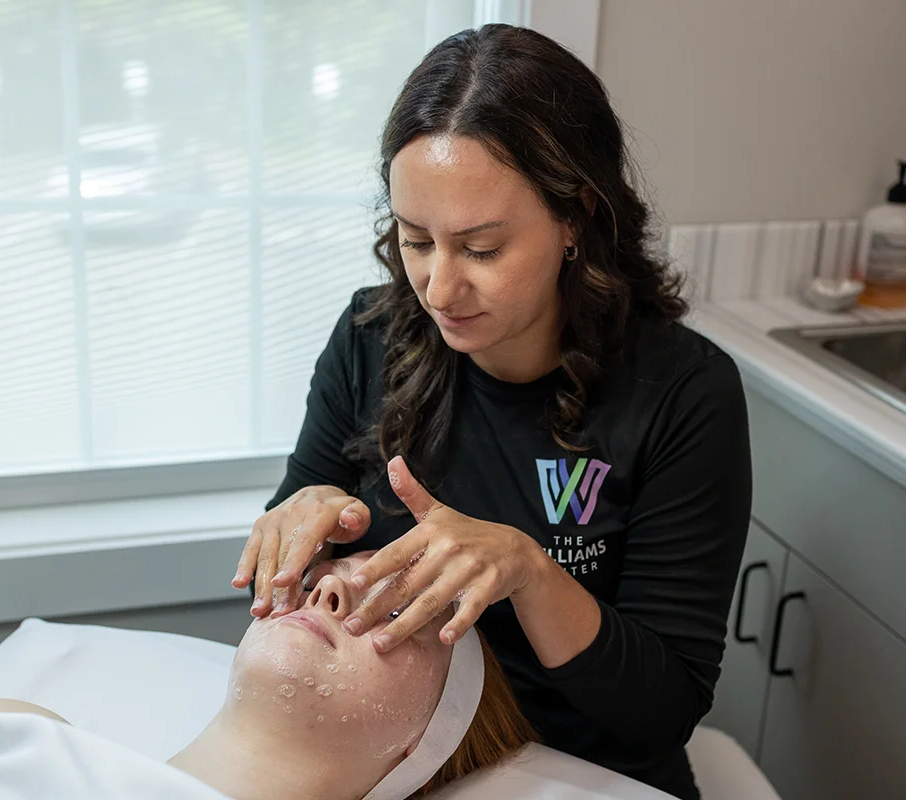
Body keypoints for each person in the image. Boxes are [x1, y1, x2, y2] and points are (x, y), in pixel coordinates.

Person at [232, 23, 752, 800]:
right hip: (399, 760)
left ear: (576, 216)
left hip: (585, 773)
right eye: (415, 240)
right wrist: (299, 525)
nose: (438, 289)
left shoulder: (683, 395)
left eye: (480, 250)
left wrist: (529, 574)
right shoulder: (369, 338)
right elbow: (290, 580)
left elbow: (662, 708)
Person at [0, 554, 537, 800]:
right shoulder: (11, 725)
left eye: (399, 614)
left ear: (423, 744)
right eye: (325, 576)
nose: (329, 591)